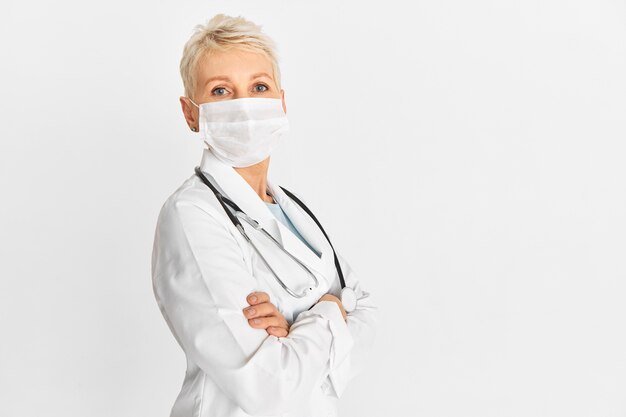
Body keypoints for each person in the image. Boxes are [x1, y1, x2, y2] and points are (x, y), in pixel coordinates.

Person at [151, 13, 380, 417]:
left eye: (259, 87)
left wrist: (295, 334)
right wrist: (330, 311)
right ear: (191, 114)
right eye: (221, 91)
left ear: (282, 102)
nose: (245, 106)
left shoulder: (291, 207)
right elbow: (269, 388)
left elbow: (370, 316)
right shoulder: (191, 216)